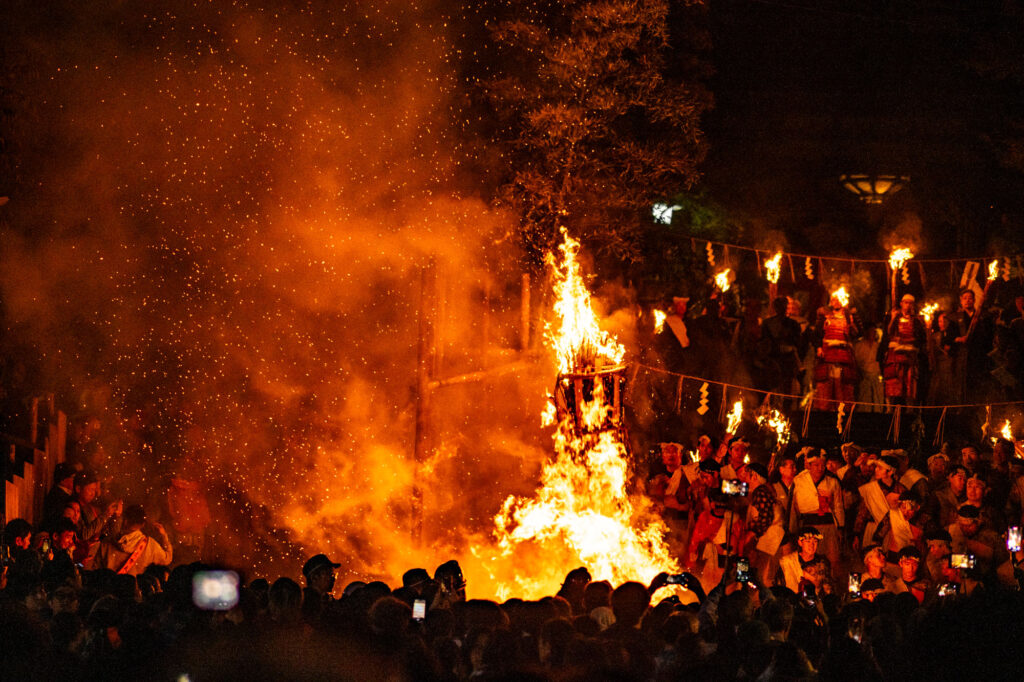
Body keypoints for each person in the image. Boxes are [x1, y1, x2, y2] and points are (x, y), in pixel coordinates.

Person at [791, 448, 845, 577]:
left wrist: (840, 528)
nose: (820, 468)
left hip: (829, 527)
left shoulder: (832, 482)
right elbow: (794, 508)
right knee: (809, 559)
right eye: (816, 465)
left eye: (822, 465)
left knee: (832, 560)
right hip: (808, 526)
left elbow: (838, 506)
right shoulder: (799, 482)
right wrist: (793, 530)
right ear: (808, 465)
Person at [812, 290, 862, 409]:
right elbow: (816, 335)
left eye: (839, 299)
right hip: (827, 356)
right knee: (825, 391)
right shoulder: (825, 316)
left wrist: (852, 317)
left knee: (843, 392)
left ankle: (843, 414)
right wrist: (818, 348)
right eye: (834, 299)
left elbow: (858, 333)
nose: (836, 301)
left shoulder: (849, 317)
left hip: (844, 358)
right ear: (831, 301)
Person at [93, 504, 171, 576]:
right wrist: (164, 536)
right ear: (143, 524)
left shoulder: (108, 542)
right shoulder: (150, 545)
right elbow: (167, 559)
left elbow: (95, 569)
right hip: (133, 586)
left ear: (125, 520)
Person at [739, 463, 784, 585]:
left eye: (747, 474)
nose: (743, 477)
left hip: (769, 541)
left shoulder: (761, 492)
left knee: (762, 576)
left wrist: (751, 534)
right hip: (767, 541)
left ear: (754, 477)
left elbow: (765, 516)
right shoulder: (760, 491)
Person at [881, 294, 927, 405]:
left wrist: (906, 340)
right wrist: (893, 318)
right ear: (901, 303)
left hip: (910, 355)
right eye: (906, 303)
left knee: (910, 382)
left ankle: (910, 408)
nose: (908, 305)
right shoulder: (893, 317)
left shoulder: (917, 320)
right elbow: (888, 333)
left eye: (910, 303)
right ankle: (890, 408)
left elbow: (921, 338)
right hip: (895, 354)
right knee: (893, 380)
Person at [759, 296, 806, 398]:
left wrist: (790, 346)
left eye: (784, 306)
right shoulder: (767, 323)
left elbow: (798, 342)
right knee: (771, 389)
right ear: (776, 308)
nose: (782, 309)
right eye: (779, 306)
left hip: (787, 360)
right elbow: (763, 340)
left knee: (787, 390)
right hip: (772, 359)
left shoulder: (793, 324)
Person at [777, 526, 825, 592]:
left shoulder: (822, 563)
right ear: (800, 543)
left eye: (815, 541)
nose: (812, 545)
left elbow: (827, 589)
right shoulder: (787, 562)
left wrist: (812, 579)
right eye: (808, 541)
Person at [926, 311, 958, 405]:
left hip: (950, 367)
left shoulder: (953, 335)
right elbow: (930, 349)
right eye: (940, 321)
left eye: (944, 321)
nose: (942, 323)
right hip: (938, 367)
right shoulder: (936, 336)